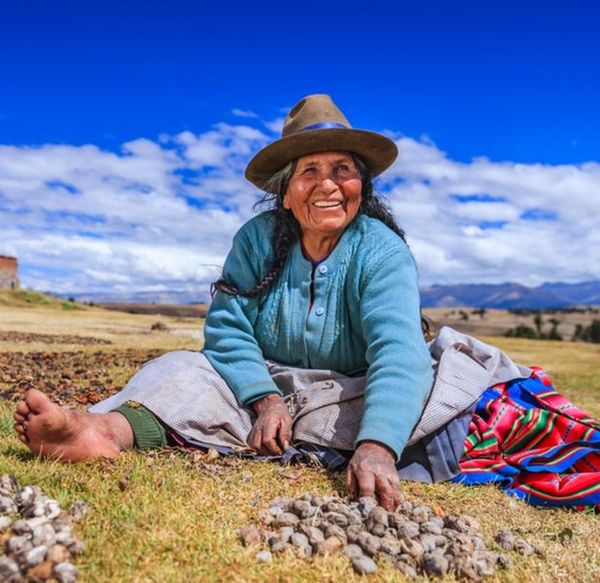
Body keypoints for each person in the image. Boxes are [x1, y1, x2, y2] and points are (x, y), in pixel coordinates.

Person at [13, 94, 435, 511]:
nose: (328, 184)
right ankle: (102, 432)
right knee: (181, 370)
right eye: (310, 170)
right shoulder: (257, 240)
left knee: (427, 396)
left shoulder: (383, 252)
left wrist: (378, 444)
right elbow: (228, 329)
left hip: (352, 387)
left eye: (343, 169)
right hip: (261, 385)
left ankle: (361, 440)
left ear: (361, 186)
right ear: (286, 193)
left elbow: (397, 352)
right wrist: (265, 399)